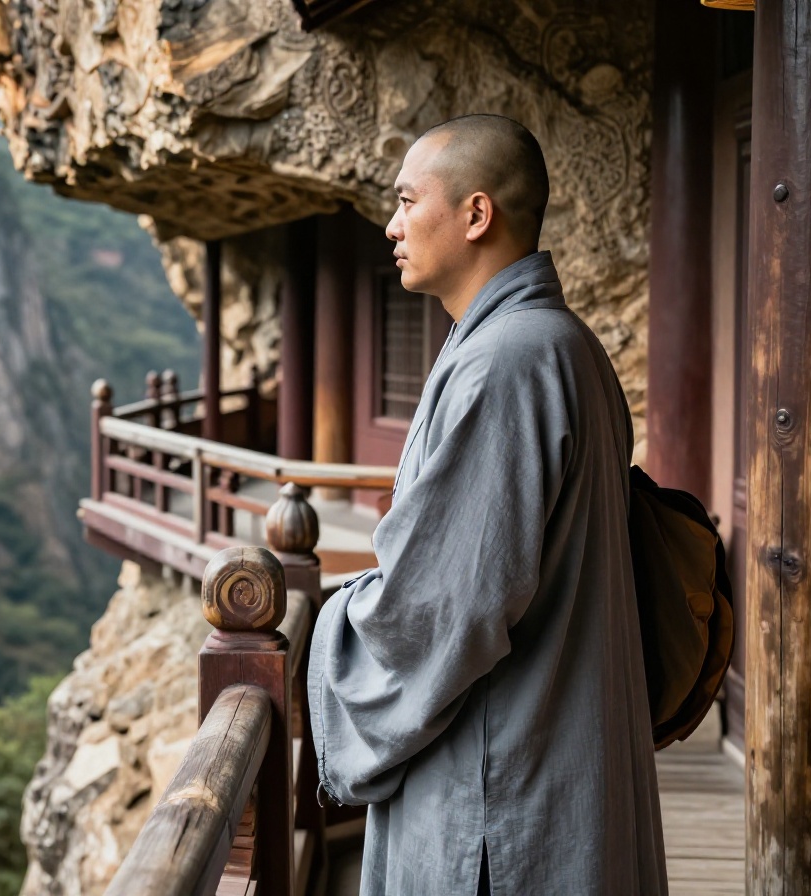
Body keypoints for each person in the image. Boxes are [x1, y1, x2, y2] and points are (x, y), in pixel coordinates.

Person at [307, 114, 667, 895]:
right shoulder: (560, 342)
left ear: (476, 214)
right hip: (559, 744)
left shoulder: (507, 362)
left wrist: (326, 630)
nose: (393, 225)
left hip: (500, 782)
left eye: (408, 201)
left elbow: (445, 606)